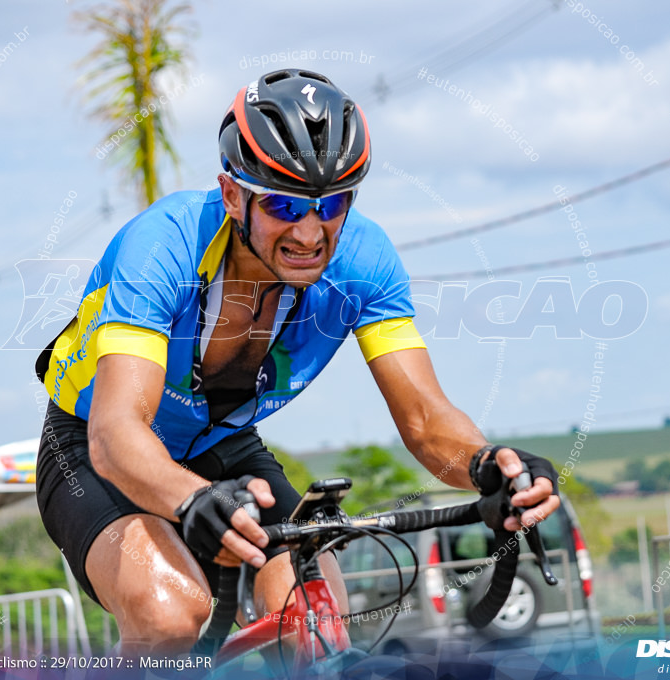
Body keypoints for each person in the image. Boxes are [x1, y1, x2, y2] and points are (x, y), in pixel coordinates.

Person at [34, 69, 560, 656]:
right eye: (284, 204)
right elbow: (116, 433)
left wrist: (488, 464)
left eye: (332, 204)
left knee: (315, 623)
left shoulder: (364, 259)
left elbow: (424, 419)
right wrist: (187, 501)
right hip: (91, 447)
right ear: (234, 195)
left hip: (222, 446)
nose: (310, 232)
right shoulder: (163, 245)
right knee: (171, 615)